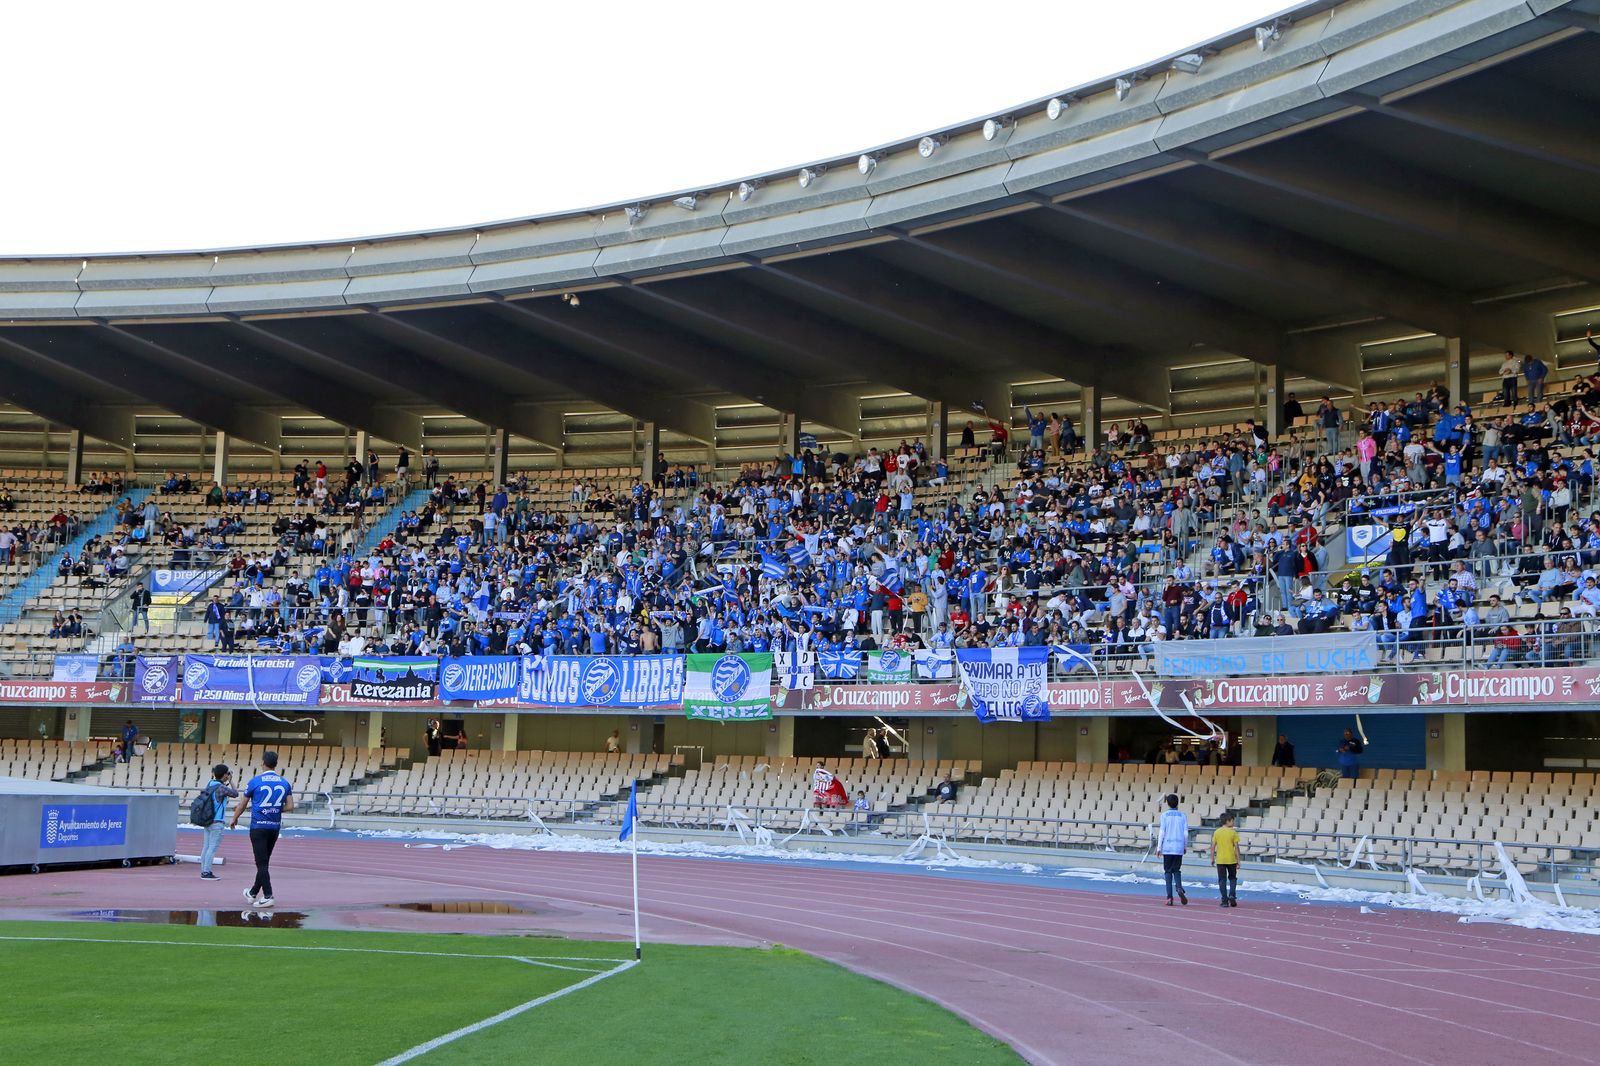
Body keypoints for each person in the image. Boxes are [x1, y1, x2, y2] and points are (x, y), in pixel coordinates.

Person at [230, 750, 293, 908]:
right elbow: (291, 806)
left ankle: (268, 895)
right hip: (274, 827)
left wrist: (234, 818)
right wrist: (276, 810)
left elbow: (242, 804)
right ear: (276, 764)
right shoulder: (284, 782)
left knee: (261, 864)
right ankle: (252, 893)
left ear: (263, 763)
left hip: (258, 826)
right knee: (264, 862)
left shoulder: (255, 781)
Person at [198, 764, 239, 880]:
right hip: (217, 821)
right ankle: (206, 872)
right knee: (212, 847)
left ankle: (203, 870)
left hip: (207, 820)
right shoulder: (221, 788)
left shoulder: (210, 784)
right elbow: (235, 793)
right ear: (225, 775)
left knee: (206, 847)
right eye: (227, 774)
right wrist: (231, 781)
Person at [1158, 793, 1189, 906]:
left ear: (1167, 803)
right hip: (1178, 846)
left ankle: (1169, 897)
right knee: (1176, 870)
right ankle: (1179, 887)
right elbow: (1185, 833)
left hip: (1168, 847)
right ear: (1178, 803)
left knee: (1167, 872)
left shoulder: (1164, 815)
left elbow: (1162, 832)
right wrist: (1185, 846)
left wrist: (1159, 847)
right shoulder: (1182, 815)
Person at [1213, 812, 1239, 908]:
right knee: (1232, 878)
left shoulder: (1217, 832)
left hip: (1220, 860)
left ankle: (1224, 900)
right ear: (1228, 821)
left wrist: (1212, 858)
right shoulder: (1233, 833)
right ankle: (1232, 895)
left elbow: (1213, 846)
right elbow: (1236, 847)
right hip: (1231, 859)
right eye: (1232, 821)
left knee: (1222, 880)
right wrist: (1238, 861)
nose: (1233, 822)